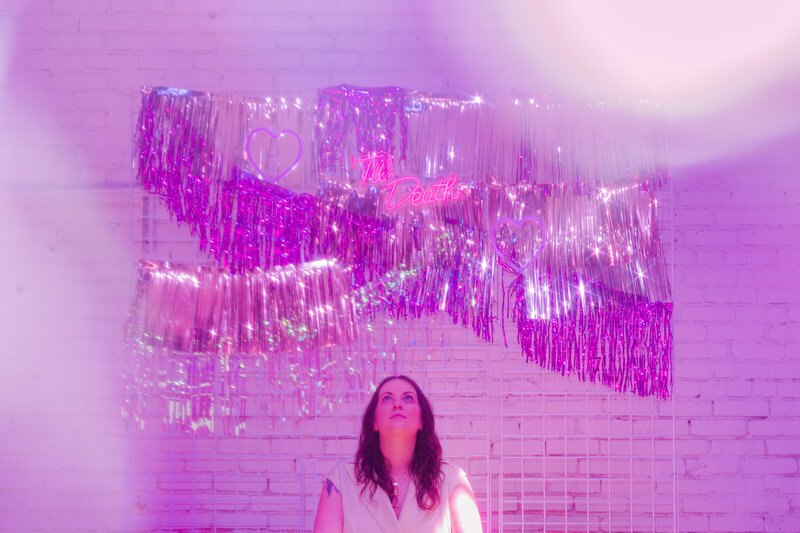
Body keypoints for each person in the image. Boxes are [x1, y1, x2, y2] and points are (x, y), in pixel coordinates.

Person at [312, 375, 483, 533]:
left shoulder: (451, 480)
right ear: (374, 422)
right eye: (387, 398)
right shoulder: (342, 480)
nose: (397, 404)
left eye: (408, 398)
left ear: (422, 420)